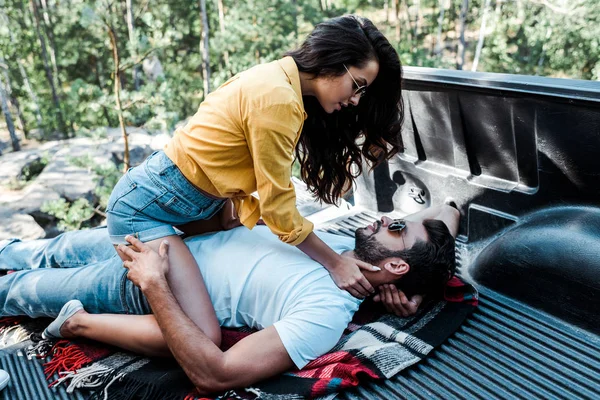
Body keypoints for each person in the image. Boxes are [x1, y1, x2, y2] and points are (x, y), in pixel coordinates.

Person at [104, 14, 404, 346]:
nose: (356, 101)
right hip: (145, 209)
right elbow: (279, 210)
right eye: (358, 85)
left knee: (230, 252)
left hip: (192, 203)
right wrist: (335, 264)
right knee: (203, 335)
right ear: (334, 61)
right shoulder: (277, 99)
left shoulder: (280, 82)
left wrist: (239, 205)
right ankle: (78, 323)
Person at [0, 205, 458, 392]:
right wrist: (419, 281)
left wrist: (154, 283)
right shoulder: (334, 237)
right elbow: (448, 212)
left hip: (139, 280)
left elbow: (216, 375)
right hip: (152, 235)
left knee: (15, 292)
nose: (385, 218)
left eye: (397, 228)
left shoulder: (327, 312)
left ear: (398, 267)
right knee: (36, 251)